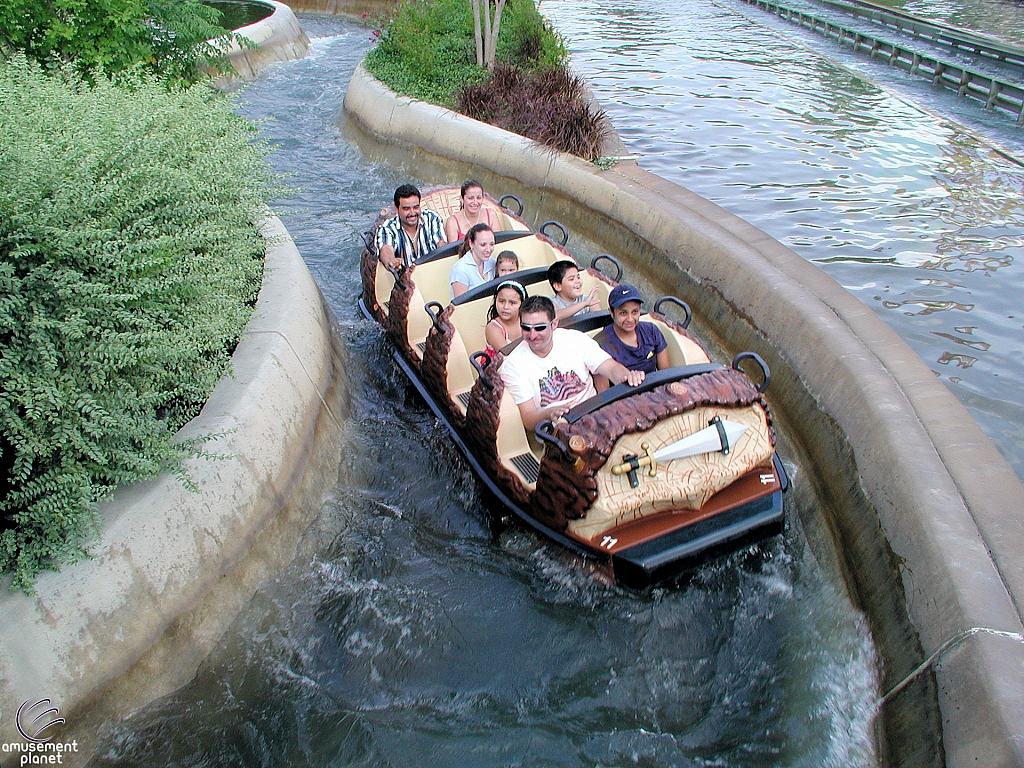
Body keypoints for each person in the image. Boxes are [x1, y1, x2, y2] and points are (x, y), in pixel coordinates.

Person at [501, 296, 645, 431]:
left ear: (554, 324)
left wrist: (628, 377)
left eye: (539, 328)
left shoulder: (574, 339)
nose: (532, 335)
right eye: (526, 328)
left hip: (594, 412)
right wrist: (549, 412)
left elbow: (611, 368)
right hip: (557, 427)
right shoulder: (513, 365)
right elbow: (529, 418)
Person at [594, 284, 670, 391]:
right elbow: (604, 393)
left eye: (635, 312)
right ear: (612, 312)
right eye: (623, 313)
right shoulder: (599, 344)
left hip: (654, 391)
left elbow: (665, 373)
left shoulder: (652, 331)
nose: (630, 319)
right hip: (622, 398)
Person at [376, 184, 447, 271]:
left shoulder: (432, 218)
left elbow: (441, 243)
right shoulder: (388, 228)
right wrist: (391, 261)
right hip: (405, 280)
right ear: (396, 208)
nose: (412, 213)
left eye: (416, 207)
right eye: (406, 209)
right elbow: (386, 249)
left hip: (432, 274)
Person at [449, 223, 496, 298]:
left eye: (492, 244)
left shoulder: (492, 262)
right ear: (471, 244)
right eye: (483, 245)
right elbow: (462, 305)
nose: (488, 249)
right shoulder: (460, 269)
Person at [484, 280, 527, 360]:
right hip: (501, 368)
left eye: (512, 303)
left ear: (522, 303)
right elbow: (508, 357)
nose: (506, 307)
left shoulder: (527, 320)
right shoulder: (493, 328)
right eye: (501, 301)